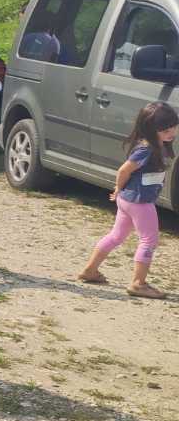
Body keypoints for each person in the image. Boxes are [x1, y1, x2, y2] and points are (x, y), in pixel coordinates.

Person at [79, 101, 176, 298]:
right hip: (138, 202)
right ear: (151, 128)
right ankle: (138, 283)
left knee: (117, 236)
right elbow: (124, 170)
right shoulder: (146, 149)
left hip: (131, 200)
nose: (172, 132)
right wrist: (118, 188)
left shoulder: (159, 145)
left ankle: (90, 270)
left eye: (174, 127)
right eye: (166, 129)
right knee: (149, 240)